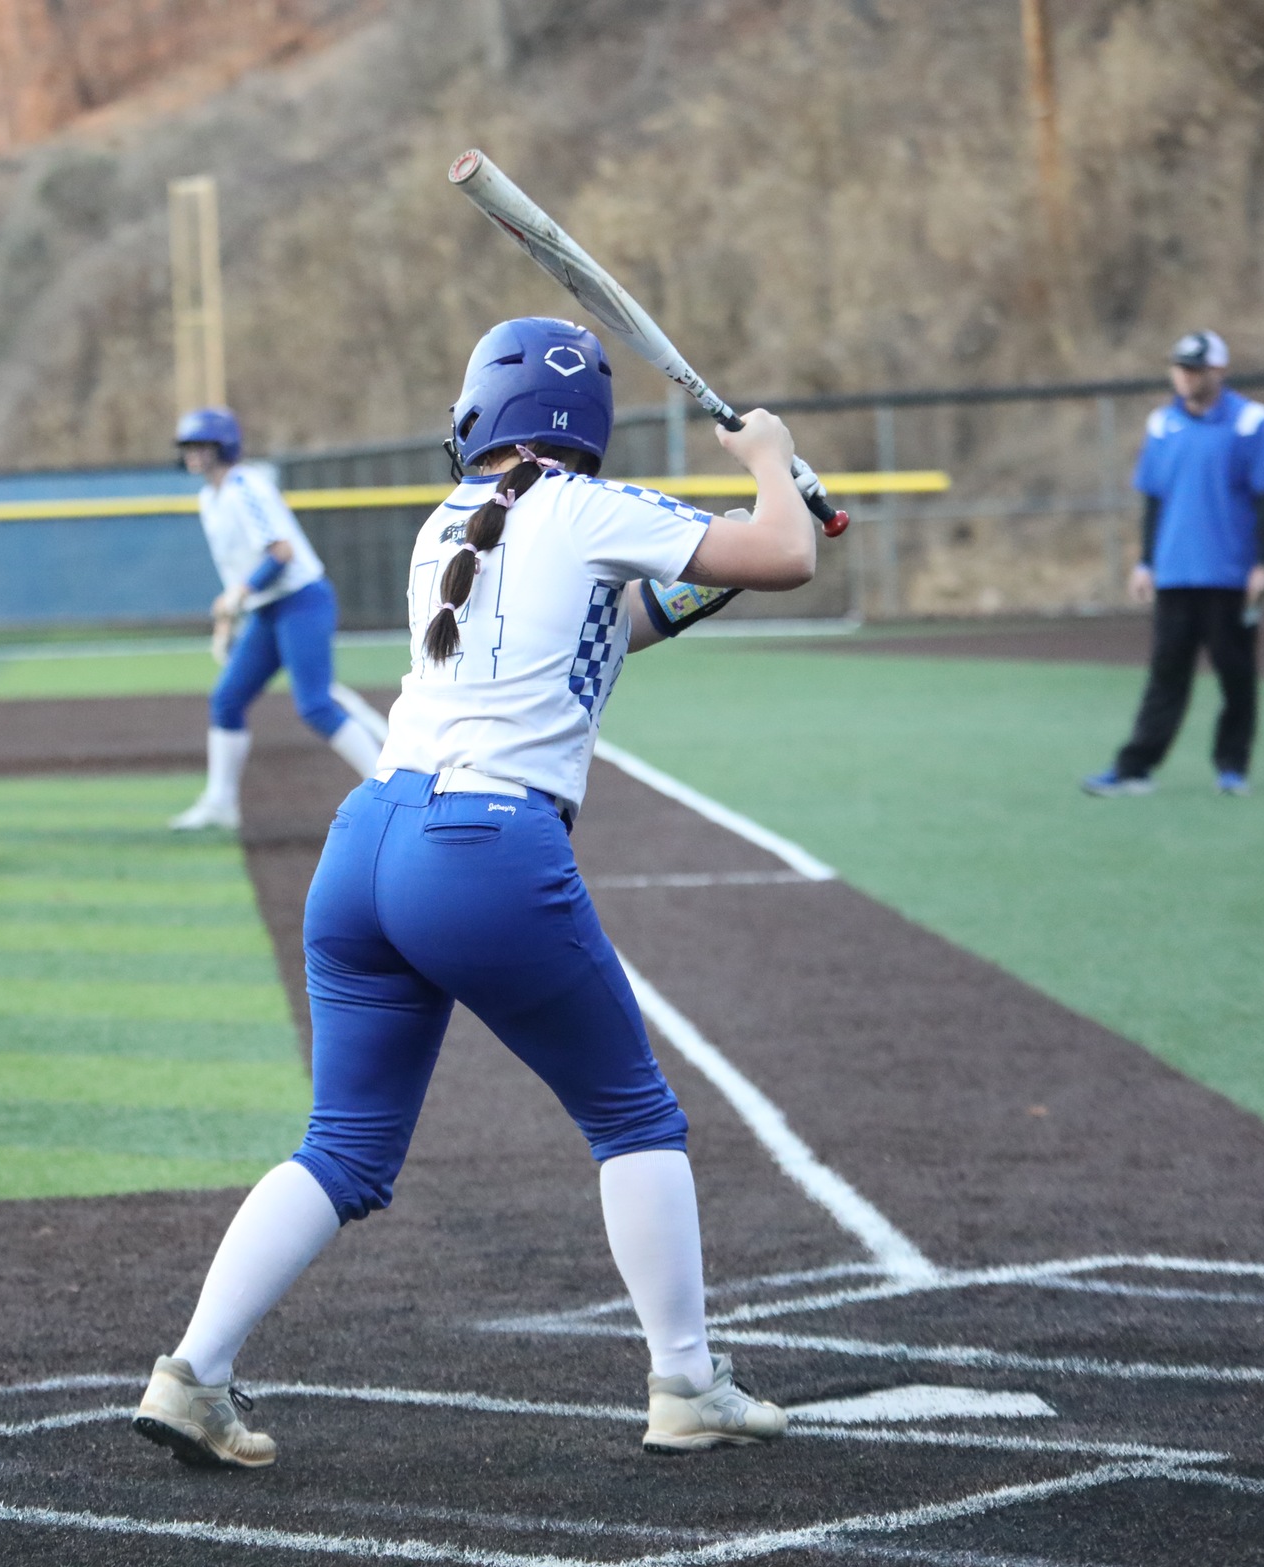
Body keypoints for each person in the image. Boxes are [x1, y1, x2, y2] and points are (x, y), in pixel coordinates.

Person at [131, 317, 815, 1468]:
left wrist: (756, 520)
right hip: (484, 850)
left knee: (341, 1147)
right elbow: (784, 555)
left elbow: (616, 629)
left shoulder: (452, 520)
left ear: (476, 415)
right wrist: (769, 472)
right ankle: (686, 1382)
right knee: (633, 1117)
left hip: (367, 846)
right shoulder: (596, 509)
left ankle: (189, 1375)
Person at [1082, 331, 1264, 798]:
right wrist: (1146, 561)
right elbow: (1154, 499)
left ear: (1219, 371)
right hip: (1176, 572)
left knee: (1236, 674)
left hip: (1229, 574)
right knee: (1166, 674)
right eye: (1180, 368)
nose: (1185, 377)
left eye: (1195, 369)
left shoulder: (1249, 422)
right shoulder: (1162, 424)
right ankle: (1135, 767)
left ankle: (1232, 767)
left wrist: (1263, 563)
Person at [168, 407, 384, 831]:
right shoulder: (209, 498)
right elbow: (238, 571)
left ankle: (387, 789)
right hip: (267, 610)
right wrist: (231, 615)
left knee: (316, 705)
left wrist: (239, 596)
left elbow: (280, 553)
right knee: (227, 700)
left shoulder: (245, 486)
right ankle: (220, 803)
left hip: (302, 600)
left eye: (201, 444)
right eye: (188, 445)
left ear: (222, 446)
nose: (193, 452)